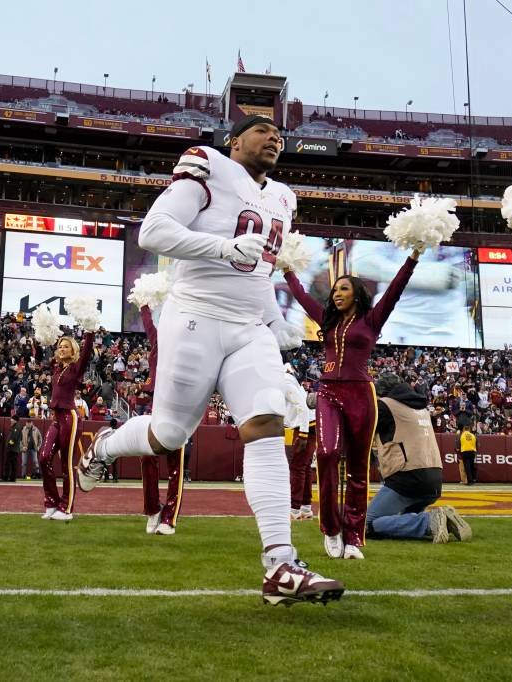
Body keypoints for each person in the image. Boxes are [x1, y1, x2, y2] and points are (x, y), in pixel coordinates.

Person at [78, 115, 344, 605]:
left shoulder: (284, 196)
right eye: (262, 129)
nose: (274, 137)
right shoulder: (208, 164)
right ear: (234, 140)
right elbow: (154, 233)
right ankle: (106, 446)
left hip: (249, 328)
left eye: (279, 133)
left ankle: (280, 564)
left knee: (266, 423)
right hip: (196, 315)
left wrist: (273, 319)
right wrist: (223, 247)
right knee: (168, 436)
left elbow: (258, 269)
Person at [283, 241, 421, 560]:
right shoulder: (327, 321)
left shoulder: (372, 320)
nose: (336, 294)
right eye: (334, 290)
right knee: (328, 453)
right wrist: (288, 270)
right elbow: (303, 297)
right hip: (329, 392)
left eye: (343, 289)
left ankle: (354, 537)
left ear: (356, 293)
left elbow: (396, 289)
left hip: (361, 394)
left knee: (359, 470)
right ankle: (331, 529)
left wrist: (413, 257)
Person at [366, 373, 471, 543]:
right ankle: (441, 521)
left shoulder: (385, 405)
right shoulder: (421, 407)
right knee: (402, 519)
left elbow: (361, 425)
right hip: (434, 478)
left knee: (367, 523)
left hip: (407, 477)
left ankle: (428, 521)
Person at [134, 300, 186, 536]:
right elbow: (148, 322)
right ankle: (153, 509)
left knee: (176, 463)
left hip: (180, 405)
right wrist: (144, 302)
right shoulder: (157, 341)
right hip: (158, 403)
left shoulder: (190, 345)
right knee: (147, 456)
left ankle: (170, 517)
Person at [39, 331, 95, 521]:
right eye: (60, 346)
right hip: (56, 418)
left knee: (66, 464)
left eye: (66, 346)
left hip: (70, 418)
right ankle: (51, 503)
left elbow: (87, 352)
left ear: (73, 350)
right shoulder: (56, 368)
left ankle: (66, 508)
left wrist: (89, 332)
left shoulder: (75, 368)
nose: (61, 349)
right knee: (44, 457)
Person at [283, 363, 314, 521]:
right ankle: (306, 507)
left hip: (305, 425)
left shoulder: (284, 380)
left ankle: (294, 509)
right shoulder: (288, 378)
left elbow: (301, 406)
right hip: (308, 423)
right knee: (304, 466)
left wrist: (303, 433)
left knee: (297, 467)